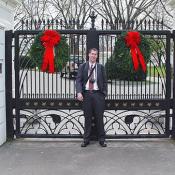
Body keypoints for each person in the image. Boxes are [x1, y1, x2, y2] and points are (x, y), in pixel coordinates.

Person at [76, 48, 107, 147]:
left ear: (97, 56)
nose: (93, 56)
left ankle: (102, 139)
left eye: (95, 54)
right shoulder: (83, 66)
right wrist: (79, 92)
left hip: (98, 95)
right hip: (87, 95)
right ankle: (86, 139)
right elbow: (78, 80)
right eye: (92, 54)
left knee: (99, 118)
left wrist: (104, 94)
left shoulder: (101, 67)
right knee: (87, 118)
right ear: (88, 55)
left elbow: (105, 81)